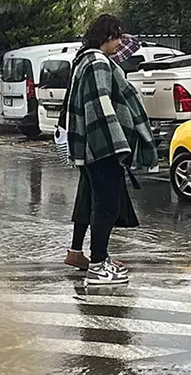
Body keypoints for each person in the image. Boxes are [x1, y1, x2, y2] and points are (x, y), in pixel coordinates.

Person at [65, 14, 158, 285]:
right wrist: (119, 146)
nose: (119, 42)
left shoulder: (87, 60)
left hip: (95, 147)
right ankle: (97, 266)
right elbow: (101, 108)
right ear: (104, 36)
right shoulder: (97, 63)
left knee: (100, 203)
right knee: (106, 206)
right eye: (115, 36)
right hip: (103, 147)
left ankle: (99, 259)